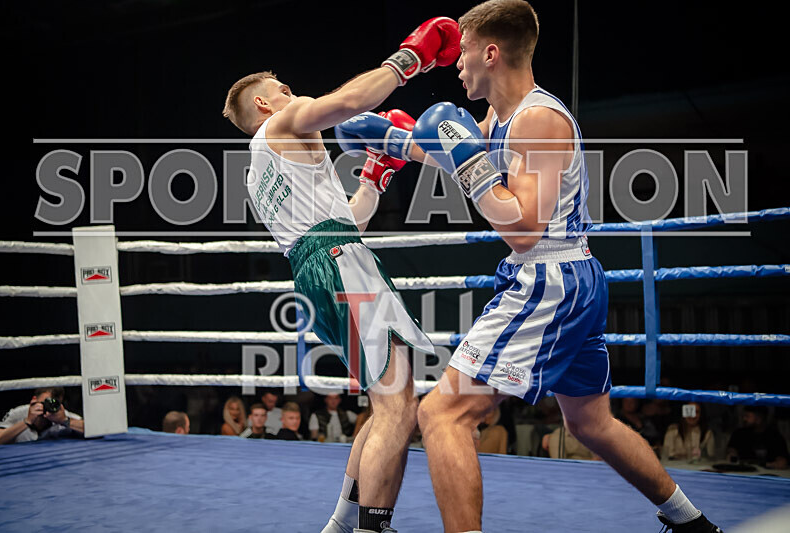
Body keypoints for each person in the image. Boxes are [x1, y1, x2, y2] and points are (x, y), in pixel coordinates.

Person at [338, 2, 722, 531]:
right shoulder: (501, 117)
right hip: (569, 278)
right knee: (591, 423)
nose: (457, 63)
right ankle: (691, 523)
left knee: (443, 414)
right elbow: (454, 150)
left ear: (491, 53)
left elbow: (522, 228)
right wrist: (392, 139)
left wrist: (468, 163)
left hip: (549, 278)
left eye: (465, 51)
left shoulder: (539, 121)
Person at [221, 18, 458, 533]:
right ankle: (373, 527)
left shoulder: (259, 169)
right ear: (263, 104)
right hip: (340, 264)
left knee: (387, 401)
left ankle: (342, 522)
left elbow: (345, 223)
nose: (292, 92)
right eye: (281, 89)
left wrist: (373, 177)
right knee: (399, 408)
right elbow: (350, 101)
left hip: (322, 263)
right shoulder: (284, 122)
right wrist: (410, 59)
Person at [0, 387, 84, 446]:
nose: (49, 408)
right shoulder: (18, 413)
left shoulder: (60, 415)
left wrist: (65, 421)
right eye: (45, 403)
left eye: (54, 404)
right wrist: (27, 422)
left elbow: (90, 429)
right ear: (34, 399)